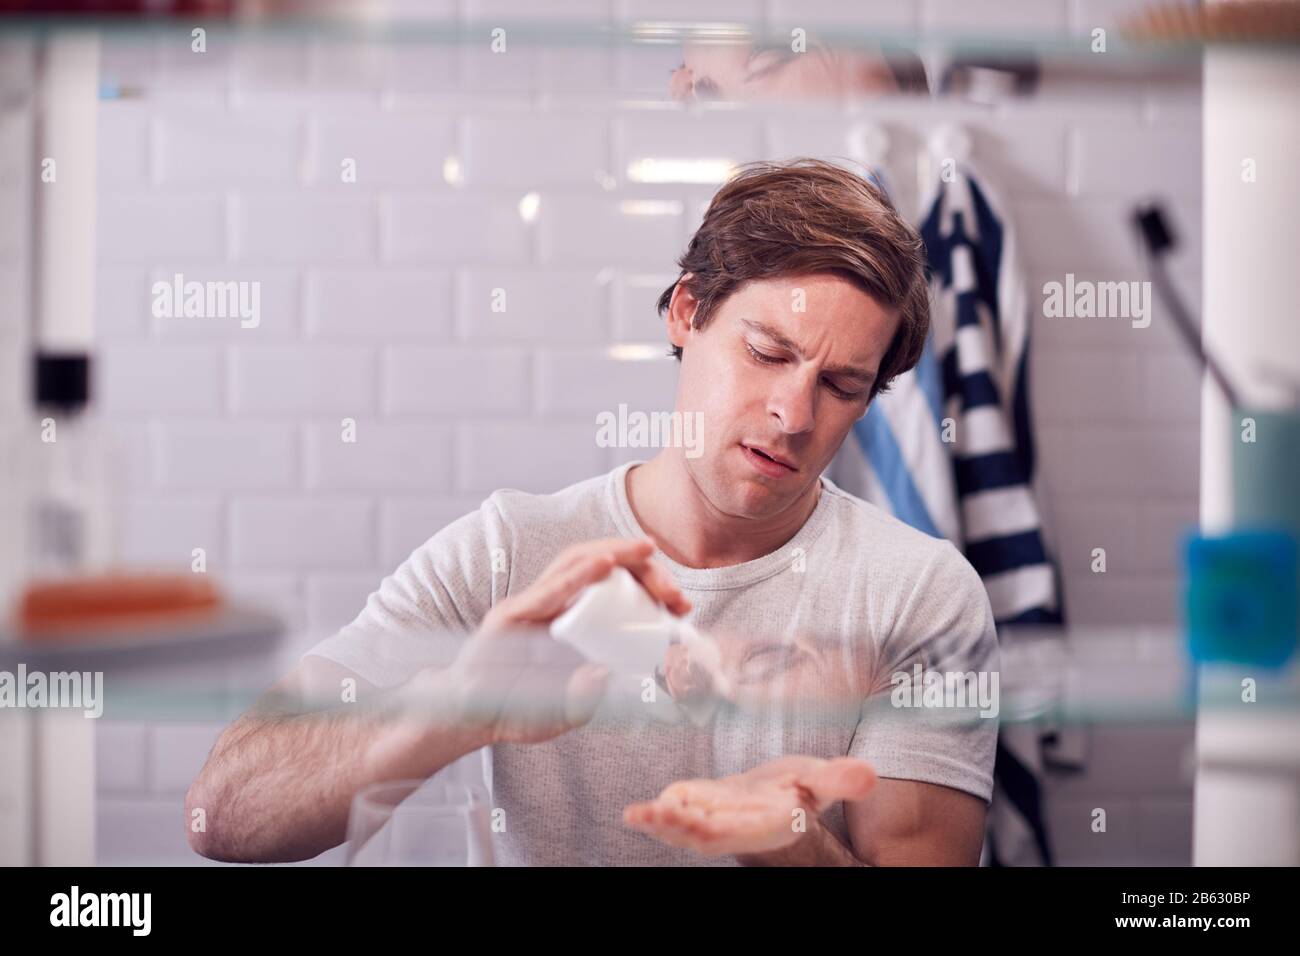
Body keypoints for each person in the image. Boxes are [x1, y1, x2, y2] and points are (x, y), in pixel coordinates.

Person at [186, 158, 999, 866]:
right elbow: (222, 815)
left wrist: (785, 837)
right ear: (688, 311)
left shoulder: (917, 594)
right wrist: (450, 711)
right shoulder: (513, 553)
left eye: (840, 385)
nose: (793, 413)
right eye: (767, 353)